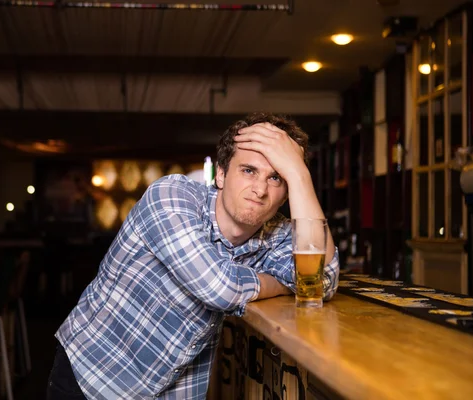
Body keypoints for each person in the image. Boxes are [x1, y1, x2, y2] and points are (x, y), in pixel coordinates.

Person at [47, 112, 339, 400]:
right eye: (248, 170)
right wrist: (278, 282)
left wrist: (299, 174)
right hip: (93, 378)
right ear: (221, 174)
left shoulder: (276, 234)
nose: (260, 189)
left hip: (173, 391)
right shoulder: (172, 196)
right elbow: (219, 288)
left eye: (277, 177)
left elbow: (320, 282)